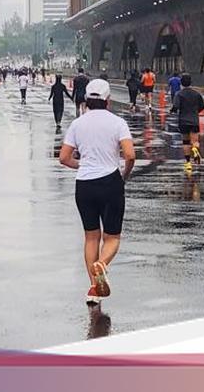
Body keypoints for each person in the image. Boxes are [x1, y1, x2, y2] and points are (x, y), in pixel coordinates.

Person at [58, 79, 135, 305]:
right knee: (111, 237)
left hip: (84, 185)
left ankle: (93, 288)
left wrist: (82, 166)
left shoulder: (77, 124)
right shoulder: (118, 123)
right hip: (110, 181)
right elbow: (130, 155)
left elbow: (63, 158)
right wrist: (124, 175)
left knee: (91, 236)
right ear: (108, 100)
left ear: (87, 101)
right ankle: (102, 264)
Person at [169, 74, 204, 170]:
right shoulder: (197, 94)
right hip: (194, 120)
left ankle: (188, 162)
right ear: (191, 83)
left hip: (183, 121)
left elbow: (176, 106)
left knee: (185, 142)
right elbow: (202, 107)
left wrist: (172, 111)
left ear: (181, 83)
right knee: (195, 141)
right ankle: (195, 149)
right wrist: (195, 112)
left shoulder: (179, 94)